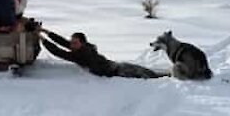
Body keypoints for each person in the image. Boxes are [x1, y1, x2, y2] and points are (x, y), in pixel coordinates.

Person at [39, 28, 169, 79]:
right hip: (116, 67)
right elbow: (63, 42)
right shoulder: (80, 48)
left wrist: (42, 39)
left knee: (150, 76)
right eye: (72, 42)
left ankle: (167, 76)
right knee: (148, 73)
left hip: (118, 71)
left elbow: (58, 52)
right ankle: (167, 75)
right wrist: (45, 32)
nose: (72, 44)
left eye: (75, 42)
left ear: (82, 43)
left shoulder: (81, 54)